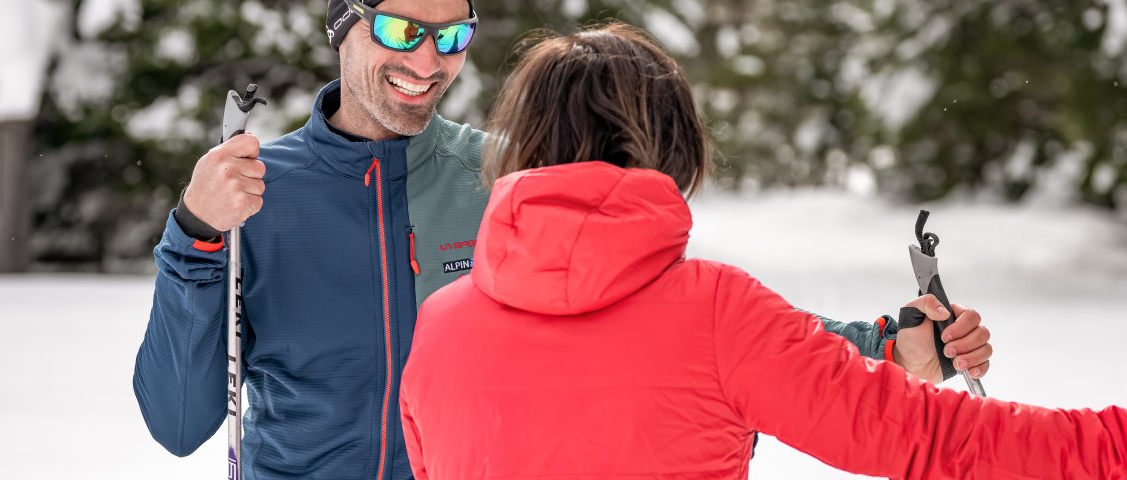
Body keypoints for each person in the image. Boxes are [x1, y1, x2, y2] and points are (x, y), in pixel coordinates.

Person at [133, 1, 994, 479]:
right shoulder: (256, 195)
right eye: (402, 30)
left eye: (453, 36)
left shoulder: (509, 181)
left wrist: (881, 346)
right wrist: (196, 237)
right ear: (342, 26)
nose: (428, 61)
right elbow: (180, 423)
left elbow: (676, 325)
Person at [398, 23, 1127, 479]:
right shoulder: (714, 310)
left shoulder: (438, 325)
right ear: (669, 147)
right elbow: (928, 441)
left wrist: (885, 344)